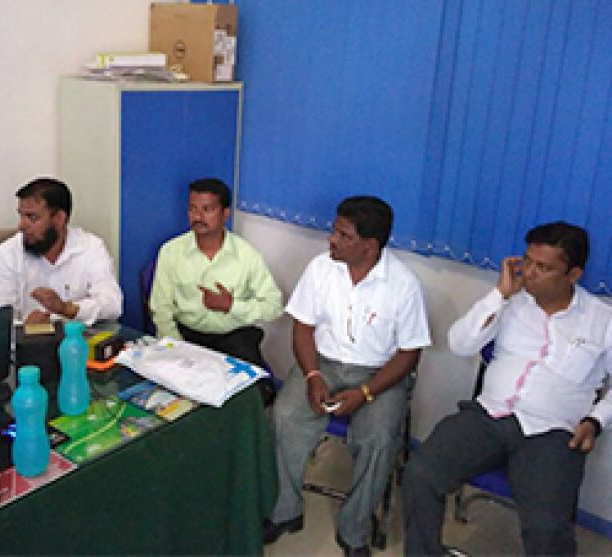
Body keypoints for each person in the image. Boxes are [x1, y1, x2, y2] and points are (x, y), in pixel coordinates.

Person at [404, 221, 612, 556]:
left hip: (552, 433)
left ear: (574, 275)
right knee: (421, 474)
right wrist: (499, 295)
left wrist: (595, 421)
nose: (529, 273)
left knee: (547, 527)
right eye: (527, 261)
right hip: (488, 415)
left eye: (543, 267)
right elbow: (459, 344)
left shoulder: (602, 321)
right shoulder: (511, 301)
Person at [263, 195, 431, 556]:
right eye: (334, 231)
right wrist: (312, 375)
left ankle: (354, 530)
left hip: (380, 374)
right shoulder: (320, 269)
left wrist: (366, 393)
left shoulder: (404, 285)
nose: (332, 240)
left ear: (369, 246)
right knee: (284, 417)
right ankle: (285, 510)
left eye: (343, 235)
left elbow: (409, 354)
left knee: (379, 439)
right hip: (322, 363)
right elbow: (303, 328)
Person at [149, 178, 283, 402]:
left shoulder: (246, 256)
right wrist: (178, 348)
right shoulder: (171, 252)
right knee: (176, 397)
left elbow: (274, 307)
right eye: (193, 209)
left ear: (225, 213)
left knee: (253, 398)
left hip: (234, 339)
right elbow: (160, 309)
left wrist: (231, 306)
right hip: (187, 336)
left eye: (207, 209)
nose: (198, 216)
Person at [0, 177, 122, 326]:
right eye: (21, 215)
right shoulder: (6, 254)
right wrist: (25, 327)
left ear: (59, 219)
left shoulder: (91, 247)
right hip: (25, 339)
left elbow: (113, 305)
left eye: (32, 217)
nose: (21, 226)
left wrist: (67, 309)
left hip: (79, 338)